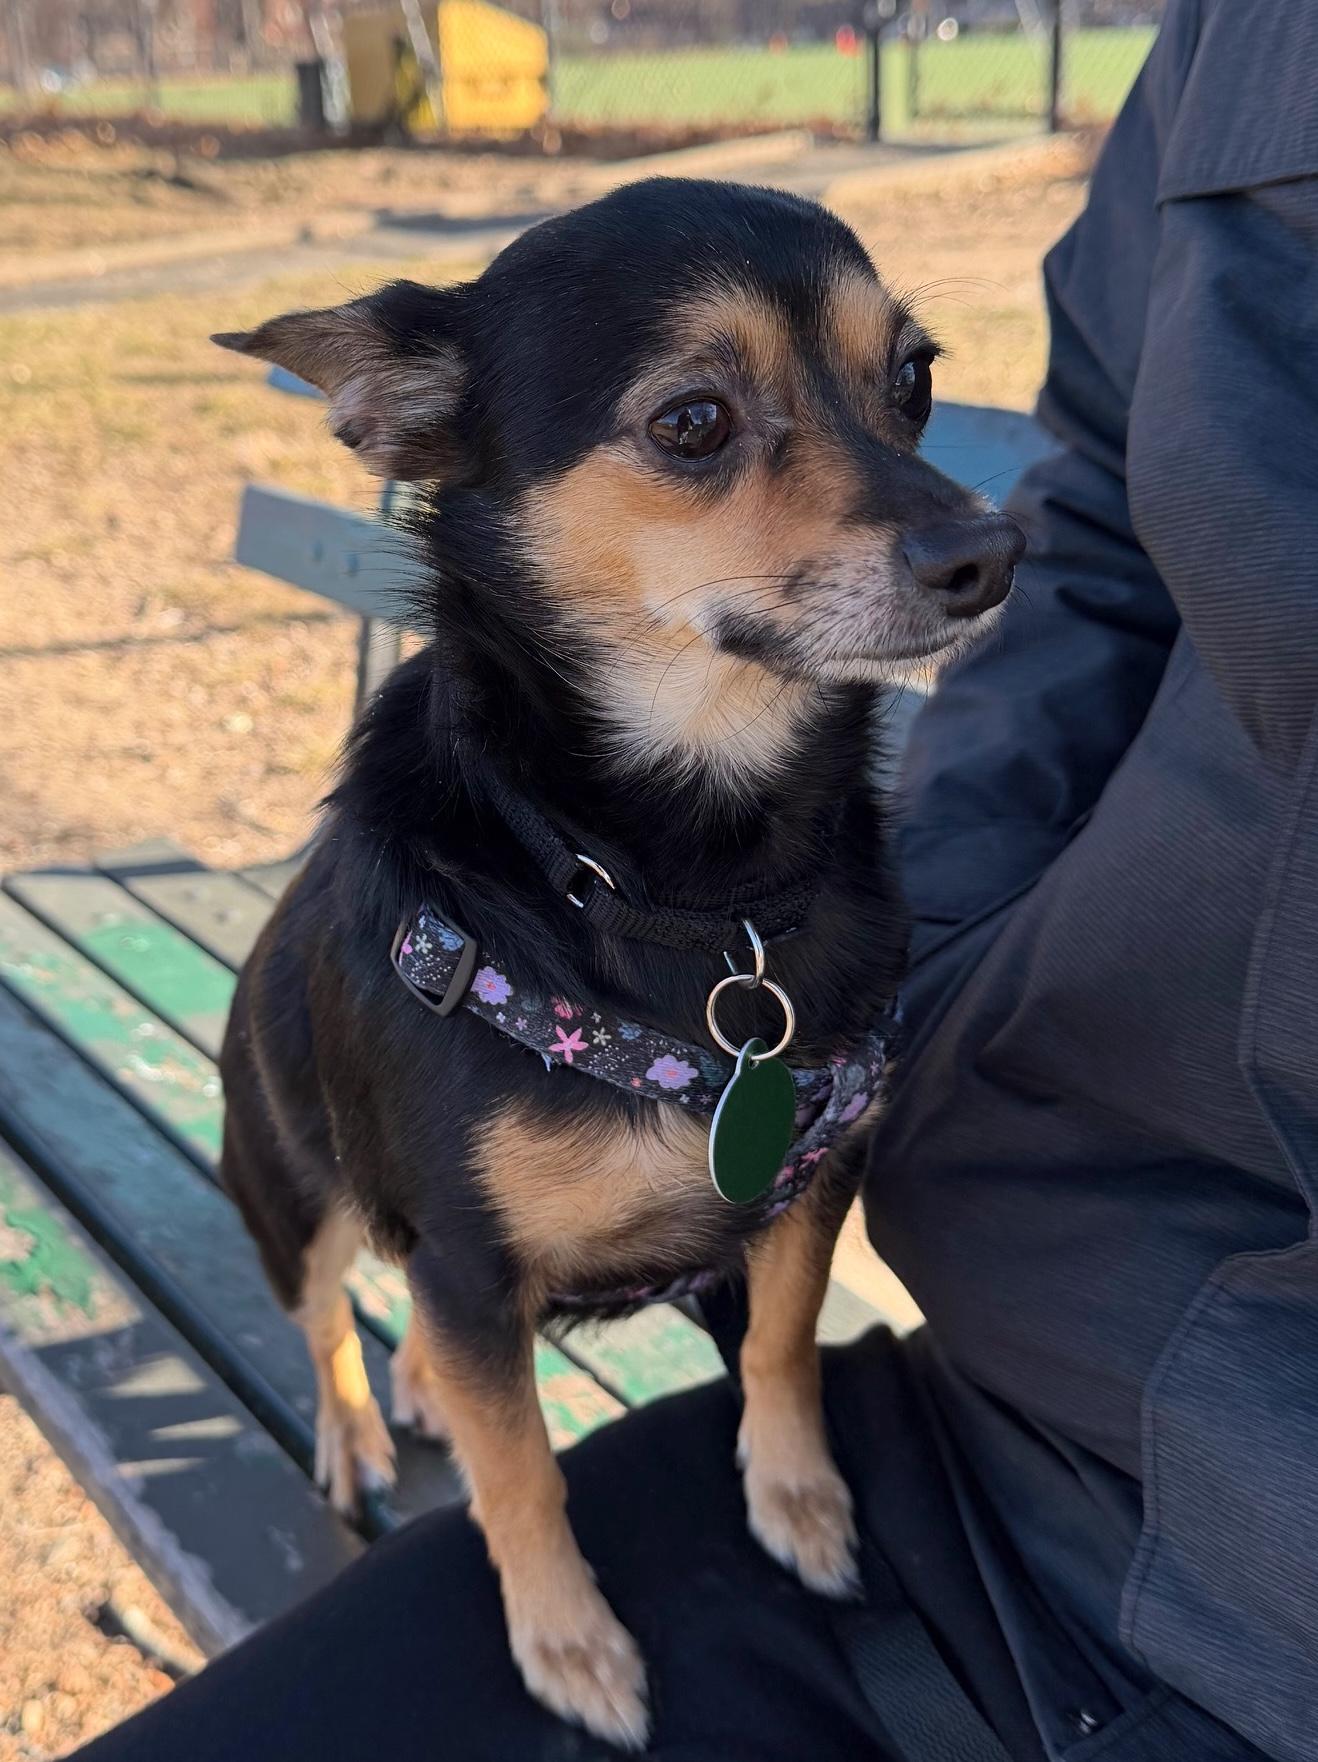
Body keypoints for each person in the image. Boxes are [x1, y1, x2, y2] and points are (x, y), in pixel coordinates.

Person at [75, 2, 1318, 1756]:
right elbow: (1107, 518)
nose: (910, 510)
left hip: (1154, 1516)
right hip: (993, 1400)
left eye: (893, 388)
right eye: (695, 428)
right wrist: (528, 1544)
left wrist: (780, 1386)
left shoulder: (850, 893)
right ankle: (340, 1387)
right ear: (411, 423)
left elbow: (812, 1165)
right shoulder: (1247, 42)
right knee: (344, 1250)